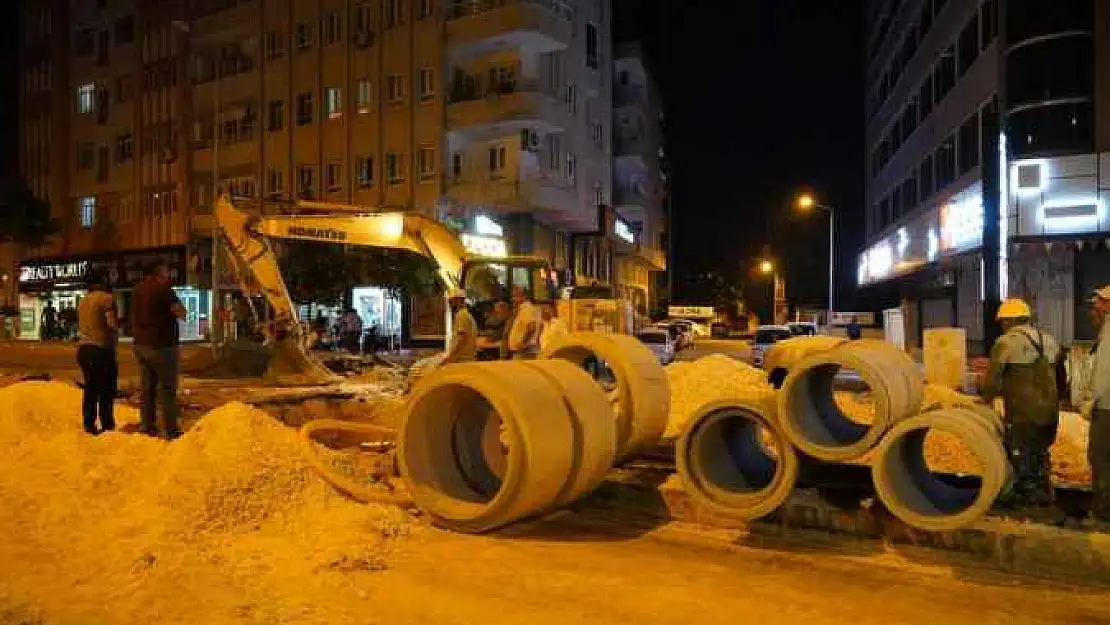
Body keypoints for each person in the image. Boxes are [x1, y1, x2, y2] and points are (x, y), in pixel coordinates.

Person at [980, 298, 1061, 510]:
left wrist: (983, 401)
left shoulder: (1006, 342)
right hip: (1050, 414)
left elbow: (992, 381)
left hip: (1022, 414)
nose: (1002, 326)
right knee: (1041, 453)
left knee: (1021, 457)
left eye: (1002, 322)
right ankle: (1045, 494)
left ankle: (1029, 505)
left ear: (1009, 321)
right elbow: (1063, 379)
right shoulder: (1050, 340)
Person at [131, 260, 186, 440]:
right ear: (159, 272)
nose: (169, 274)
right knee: (168, 388)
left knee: (147, 387)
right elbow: (181, 312)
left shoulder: (137, 290)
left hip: (140, 344)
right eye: (166, 270)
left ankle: (147, 425)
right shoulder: (163, 289)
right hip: (161, 344)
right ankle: (171, 430)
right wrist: (181, 312)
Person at [76, 268, 119, 435]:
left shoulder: (83, 300)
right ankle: (107, 425)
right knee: (106, 389)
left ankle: (89, 423)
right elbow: (112, 324)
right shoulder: (107, 299)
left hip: (84, 350)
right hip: (101, 349)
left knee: (90, 388)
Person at [1082, 285, 1110, 527]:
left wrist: (1089, 401)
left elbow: (1102, 373)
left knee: (1101, 458)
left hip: (1107, 408)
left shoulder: (1109, 333)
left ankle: (1102, 515)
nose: (1093, 310)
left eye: (1097, 305)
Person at [443, 289, 477, 364]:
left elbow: (461, 339)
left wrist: (451, 357)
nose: (450, 304)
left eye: (451, 301)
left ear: (458, 300)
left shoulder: (462, 315)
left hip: (462, 360)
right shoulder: (465, 314)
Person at [506, 285, 540, 359]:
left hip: (524, 351)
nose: (512, 299)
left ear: (524, 297)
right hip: (521, 350)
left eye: (515, 296)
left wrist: (523, 343)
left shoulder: (526, 309)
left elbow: (532, 327)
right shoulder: (521, 309)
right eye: (513, 296)